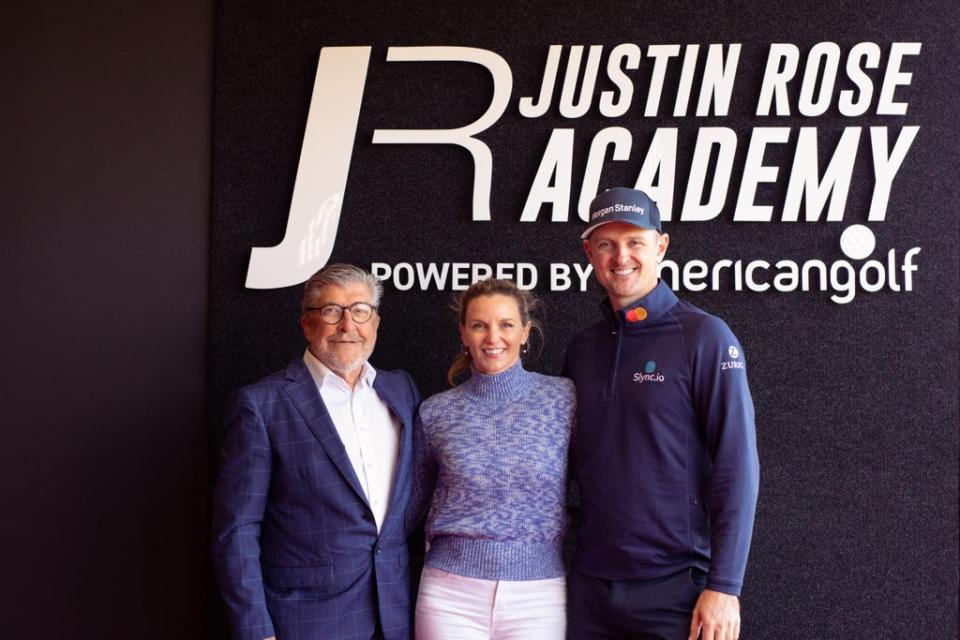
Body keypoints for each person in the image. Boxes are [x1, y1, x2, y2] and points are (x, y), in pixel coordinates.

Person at [564, 188, 760, 640]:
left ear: (661, 246)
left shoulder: (705, 337)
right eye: (607, 244)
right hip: (590, 587)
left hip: (677, 590)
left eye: (634, 241)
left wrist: (724, 587)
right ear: (589, 252)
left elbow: (738, 466)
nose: (621, 257)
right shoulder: (582, 347)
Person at [212, 264, 421, 640]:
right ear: (307, 324)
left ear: (375, 323)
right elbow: (238, 529)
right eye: (331, 312)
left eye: (360, 311)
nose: (347, 325)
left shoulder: (401, 391)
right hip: (306, 621)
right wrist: (256, 630)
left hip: (396, 616)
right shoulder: (261, 405)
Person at [409, 278, 576, 640]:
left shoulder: (563, 400)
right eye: (479, 325)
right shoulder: (436, 412)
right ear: (463, 334)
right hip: (449, 595)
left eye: (506, 325)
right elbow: (407, 509)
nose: (492, 337)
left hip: (539, 594)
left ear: (525, 332)